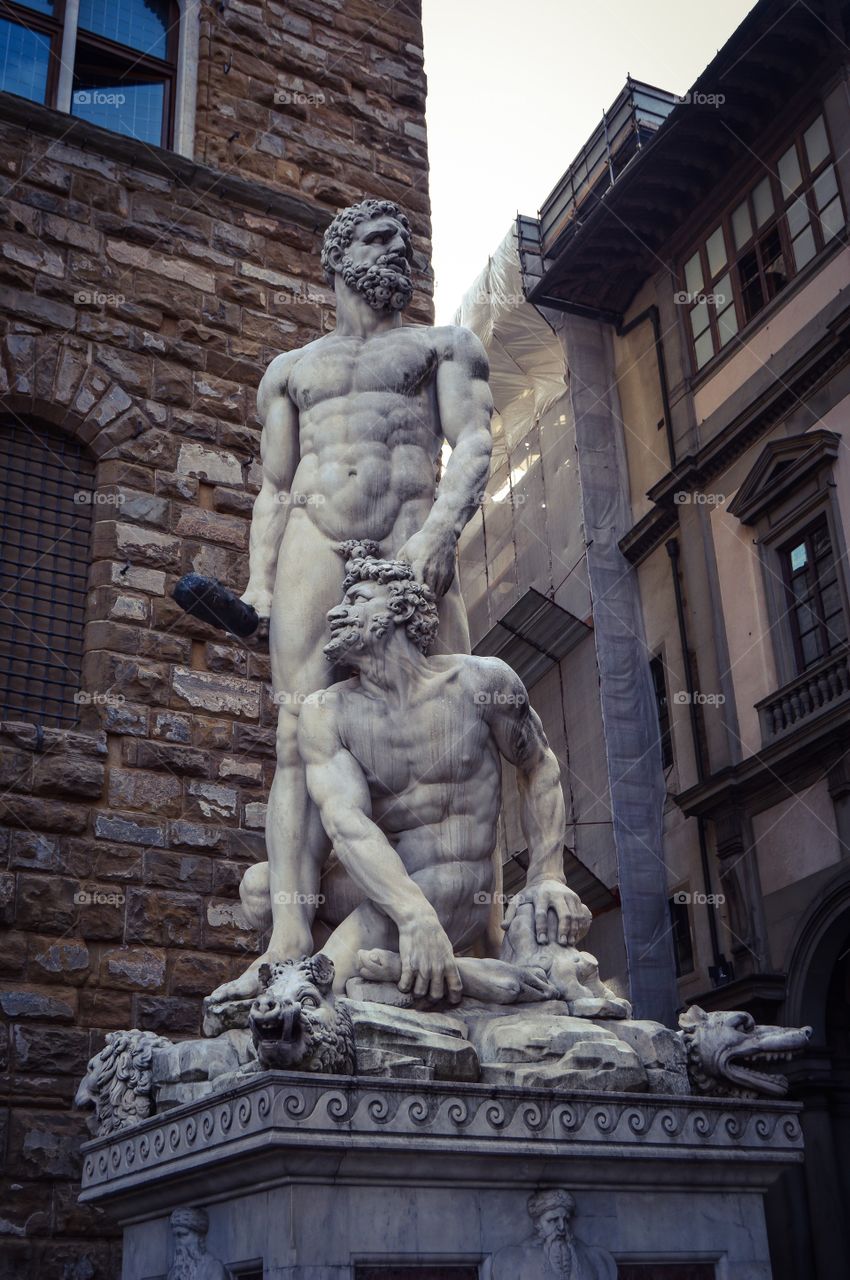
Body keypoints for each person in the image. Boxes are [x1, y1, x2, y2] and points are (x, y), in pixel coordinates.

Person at [214, 198, 493, 1002]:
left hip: (413, 538)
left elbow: (473, 443)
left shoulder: (444, 345)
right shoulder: (290, 370)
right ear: (337, 256)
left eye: (405, 242)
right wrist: (261, 582)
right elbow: (272, 487)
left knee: (458, 717)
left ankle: (481, 925)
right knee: (297, 731)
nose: (397, 250)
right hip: (315, 542)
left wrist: (438, 538)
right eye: (378, 238)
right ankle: (291, 938)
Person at [296, 551, 590, 1000]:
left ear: (400, 608)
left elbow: (539, 766)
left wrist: (548, 872)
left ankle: (424, 967)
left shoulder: (481, 683)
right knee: (261, 886)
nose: (337, 612)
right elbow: (347, 824)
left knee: (324, 993)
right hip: (382, 881)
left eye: (356, 599)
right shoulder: (326, 711)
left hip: (452, 883)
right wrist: (413, 914)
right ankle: (459, 972)